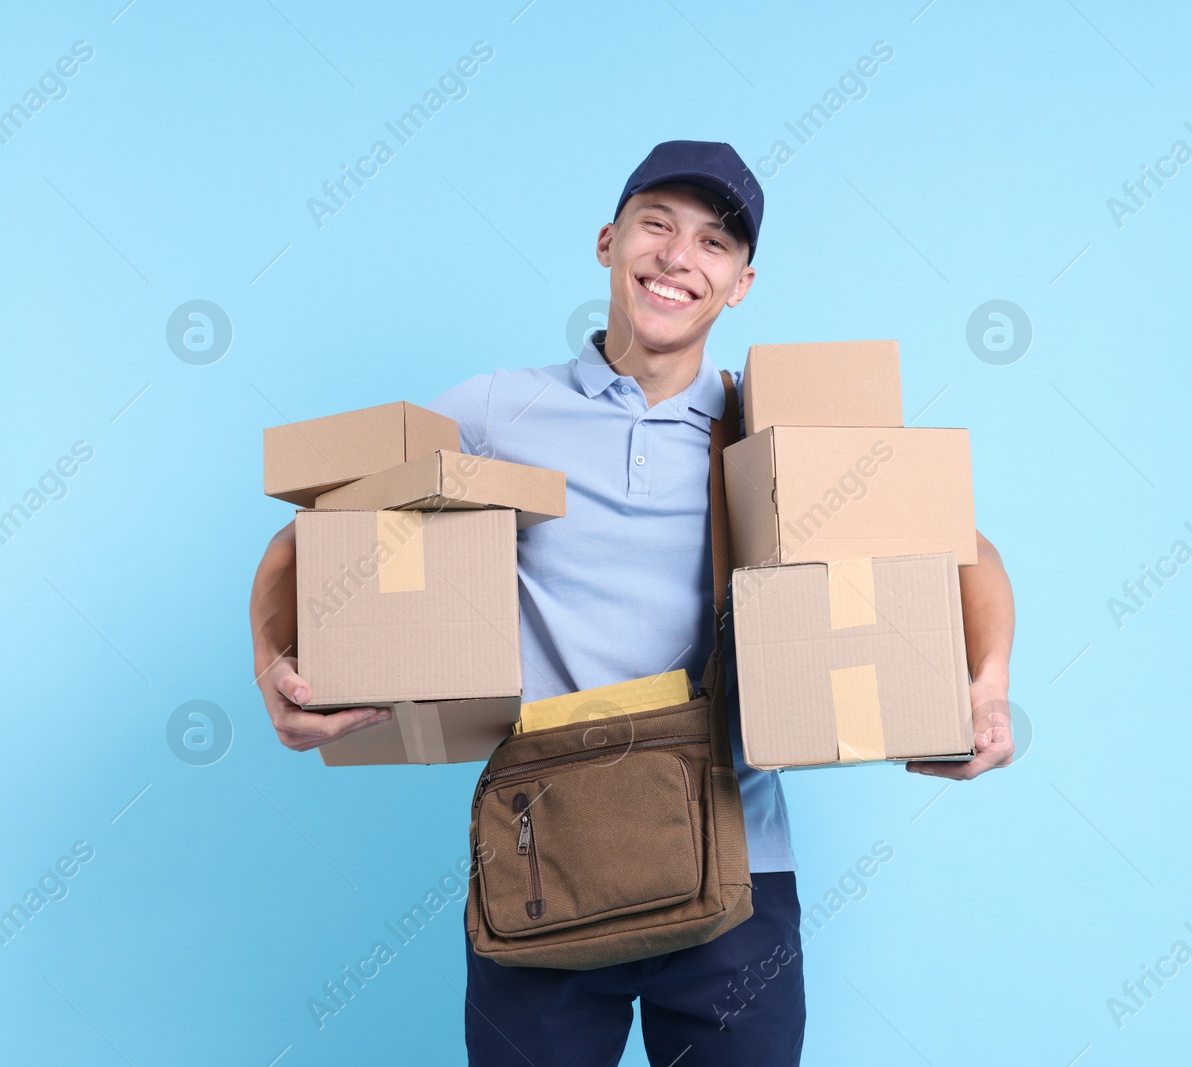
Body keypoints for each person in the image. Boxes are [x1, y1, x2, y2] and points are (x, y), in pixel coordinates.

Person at [248, 140, 1017, 1066]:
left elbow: (962, 544)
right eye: (656, 223)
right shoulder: (499, 410)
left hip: (738, 869)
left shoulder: (764, 429)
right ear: (609, 240)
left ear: (740, 283)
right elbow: (310, 533)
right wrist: (273, 666)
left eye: (714, 242)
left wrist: (985, 685)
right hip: (546, 861)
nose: (678, 256)